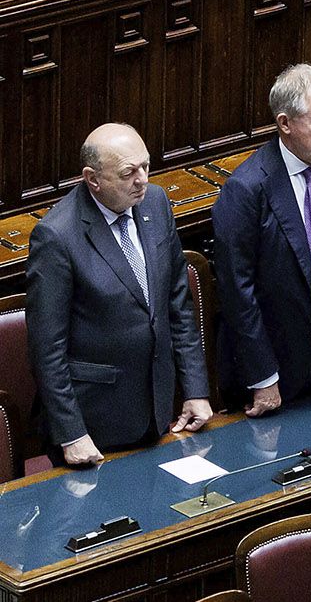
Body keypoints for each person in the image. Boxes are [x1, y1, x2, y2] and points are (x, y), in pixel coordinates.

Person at [26, 124, 212, 464]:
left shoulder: (155, 202)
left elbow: (177, 305)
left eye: (145, 166)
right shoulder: (56, 237)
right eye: (128, 172)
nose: (142, 179)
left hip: (158, 409)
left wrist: (196, 389)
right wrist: (71, 433)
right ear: (92, 179)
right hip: (96, 424)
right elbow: (46, 350)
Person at [210, 64, 311, 416]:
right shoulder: (247, 189)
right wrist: (263, 377)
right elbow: (238, 292)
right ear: (285, 123)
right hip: (276, 370)